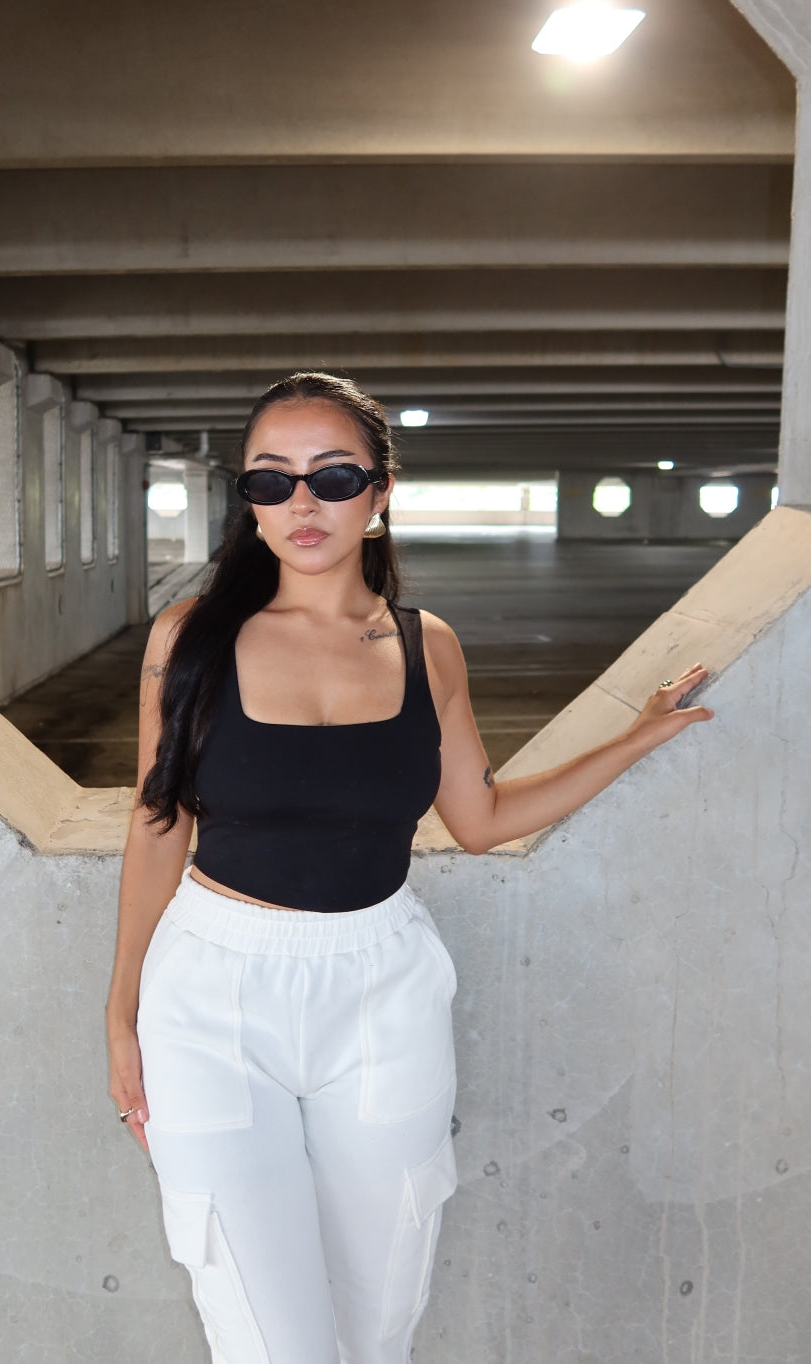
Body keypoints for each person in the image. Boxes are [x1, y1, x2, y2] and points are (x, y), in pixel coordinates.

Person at [106, 372, 712, 1364]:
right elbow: (156, 823)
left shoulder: (427, 646)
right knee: (270, 1341)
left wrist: (634, 738)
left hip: (383, 989)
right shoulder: (189, 640)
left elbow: (480, 818)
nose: (302, 503)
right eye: (272, 480)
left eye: (334, 476)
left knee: (379, 1325)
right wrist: (121, 1010)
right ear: (248, 500)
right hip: (210, 996)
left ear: (380, 492)